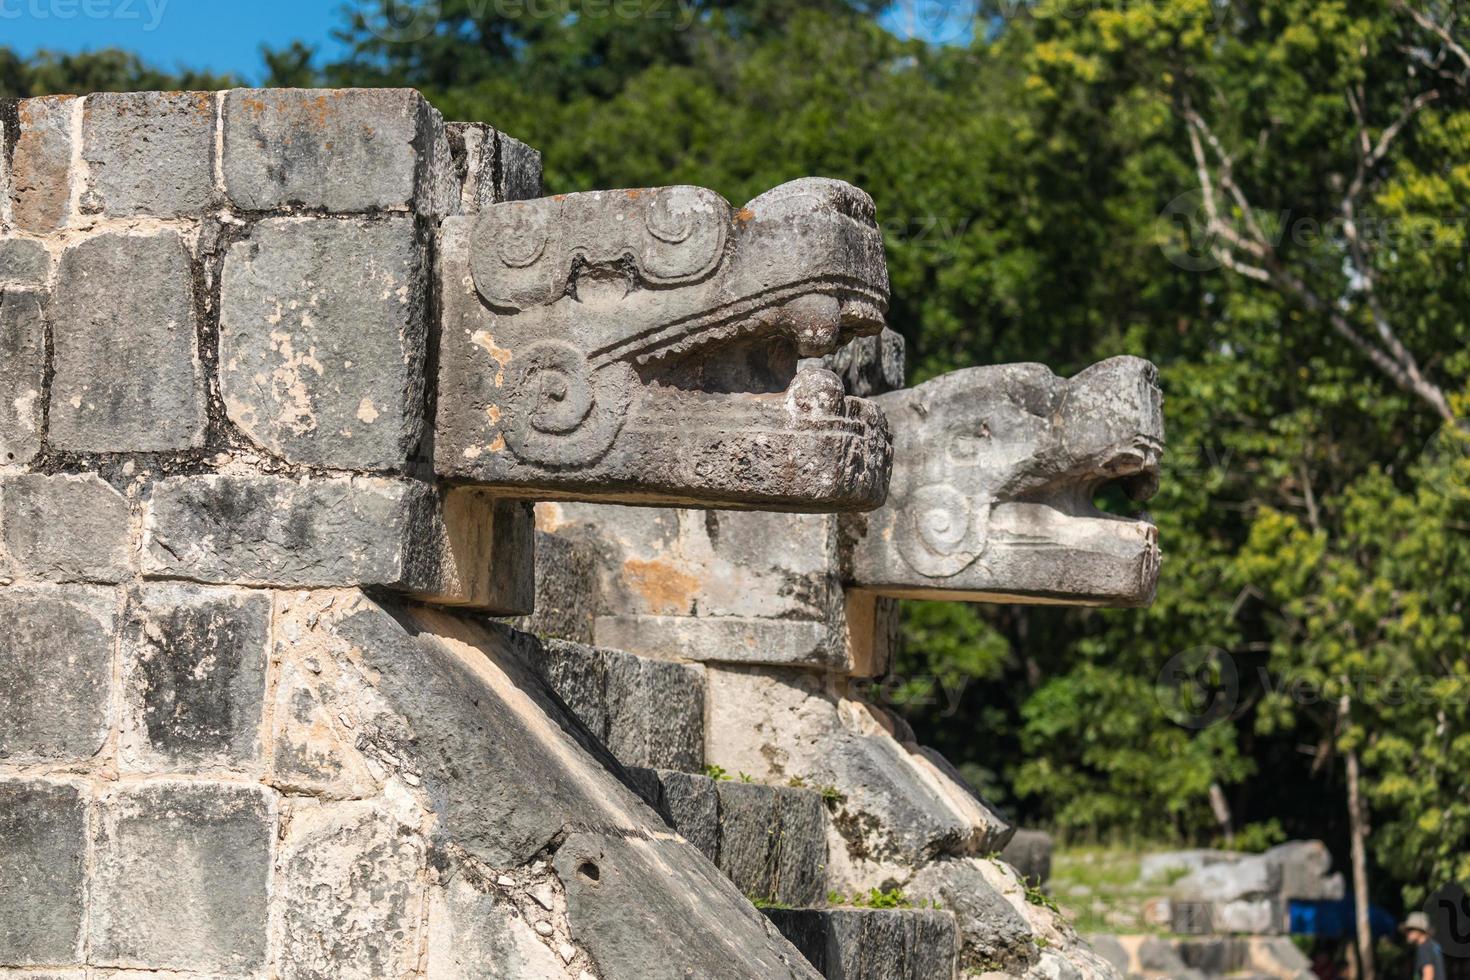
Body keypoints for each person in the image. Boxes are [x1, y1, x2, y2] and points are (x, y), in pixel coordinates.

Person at [1403, 911, 1449, 980]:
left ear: (1421, 930)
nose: (1408, 932)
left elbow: (1428, 976)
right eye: (1407, 930)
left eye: (1411, 929)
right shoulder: (1433, 945)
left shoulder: (1423, 948)